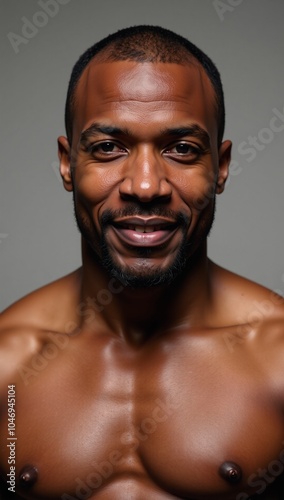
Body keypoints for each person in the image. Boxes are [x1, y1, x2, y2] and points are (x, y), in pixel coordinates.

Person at [0, 25, 284, 500]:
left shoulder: (277, 359)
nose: (146, 186)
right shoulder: (8, 372)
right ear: (68, 164)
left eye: (183, 149)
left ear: (222, 166)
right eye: (109, 147)